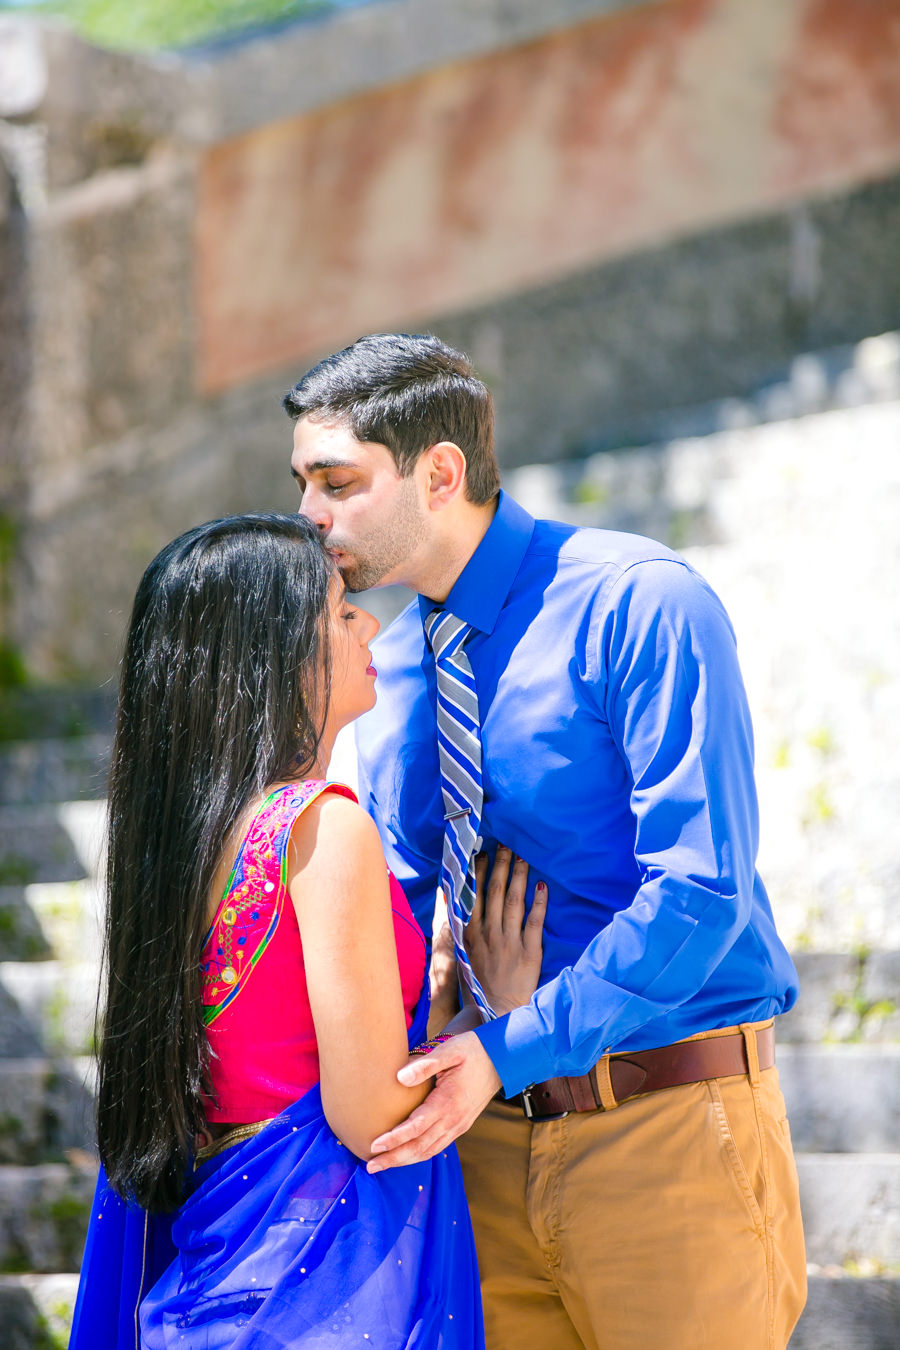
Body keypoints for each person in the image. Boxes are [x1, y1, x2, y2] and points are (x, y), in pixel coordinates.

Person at [284, 333, 808, 1350]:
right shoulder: (392, 678)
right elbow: (386, 908)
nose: (310, 515)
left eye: (336, 482)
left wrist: (513, 1040)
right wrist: (444, 998)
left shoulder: (642, 604)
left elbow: (701, 894)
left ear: (440, 473)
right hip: (476, 1156)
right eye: (304, 484)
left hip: (665, 1134)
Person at [70, 511, 545, 1350]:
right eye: (337, 611)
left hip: (212, 1282)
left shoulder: (184, 849)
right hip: (314, 1292)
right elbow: (371, 1119)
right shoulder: (321, 831)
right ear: (273, 659)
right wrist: (492, 1017)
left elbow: (268, 1055)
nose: (365, 621)